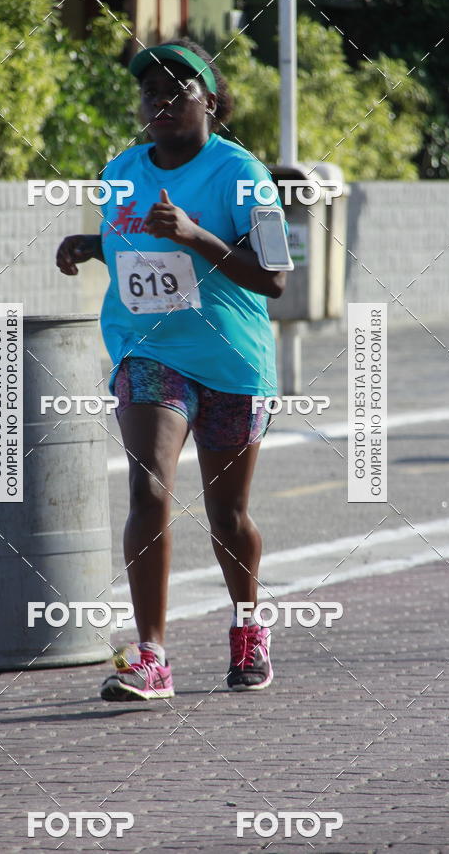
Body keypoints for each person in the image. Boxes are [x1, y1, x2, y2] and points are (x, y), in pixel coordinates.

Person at [55, 39, 288, 701]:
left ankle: (248, 628)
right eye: (150, 91)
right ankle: (151, 654)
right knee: (148, 487)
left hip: (233, 361)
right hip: (148, 351)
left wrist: (195, 236)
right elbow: (131, 241)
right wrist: (92, 245)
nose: (159, 100)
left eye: (177, 89)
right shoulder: (122, 169)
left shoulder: (243, 176)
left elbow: (272, 278)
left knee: (227, 515)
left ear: (209, 101)